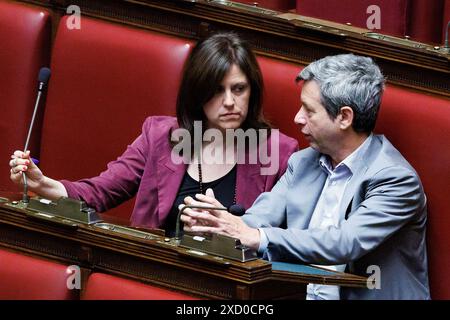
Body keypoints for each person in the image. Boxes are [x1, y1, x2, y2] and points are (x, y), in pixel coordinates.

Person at [181, 53, 430, 300]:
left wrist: (255, 236)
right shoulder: (303, 161)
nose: (297, 118)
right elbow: (262, 216)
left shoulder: (396, 179)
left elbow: (345, 242)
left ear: (344, 117)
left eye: (309, 111)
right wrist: (219, 221)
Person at [8, 32, 298, 236]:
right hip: (156, 276)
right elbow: (98, 193)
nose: (230, 102)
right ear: (197, 94)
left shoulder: (279, 152)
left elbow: (284, 240)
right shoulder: (160, 136)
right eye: (216, 90)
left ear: (253, 91)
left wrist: (233, 228)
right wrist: (43, 184)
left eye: (238, 89)